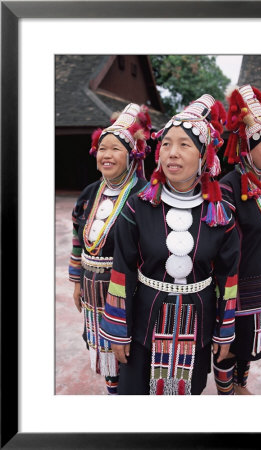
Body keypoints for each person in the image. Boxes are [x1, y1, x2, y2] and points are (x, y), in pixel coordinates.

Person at [99, 94, 240, 395]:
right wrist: (118, 331)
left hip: (198, 329)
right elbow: (121, 270)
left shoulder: (221, 215)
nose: (172, 153)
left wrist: (224, 330)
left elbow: (228, 279)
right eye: (166, 144)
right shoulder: (137, 208)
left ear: (204, 156)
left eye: (184, 145)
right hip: (142, 329)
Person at [68, 103, 151, 394]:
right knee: (103, 353)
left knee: (127, 353)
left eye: (116, 148)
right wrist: (77, 281)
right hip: (92, 287)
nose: (107, 155)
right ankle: (112, 392)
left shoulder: (144, 194)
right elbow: (79, 237)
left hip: (127, 291)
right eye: (103, 148)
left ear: (131, 154)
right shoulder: (90, 192)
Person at [213, 84, 261, 395]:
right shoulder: (229, 188)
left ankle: (241, 385)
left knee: (248, 346)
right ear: (248, 146)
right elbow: (221, 248)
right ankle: (227, 393)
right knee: (232, 346)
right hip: (239, 287)